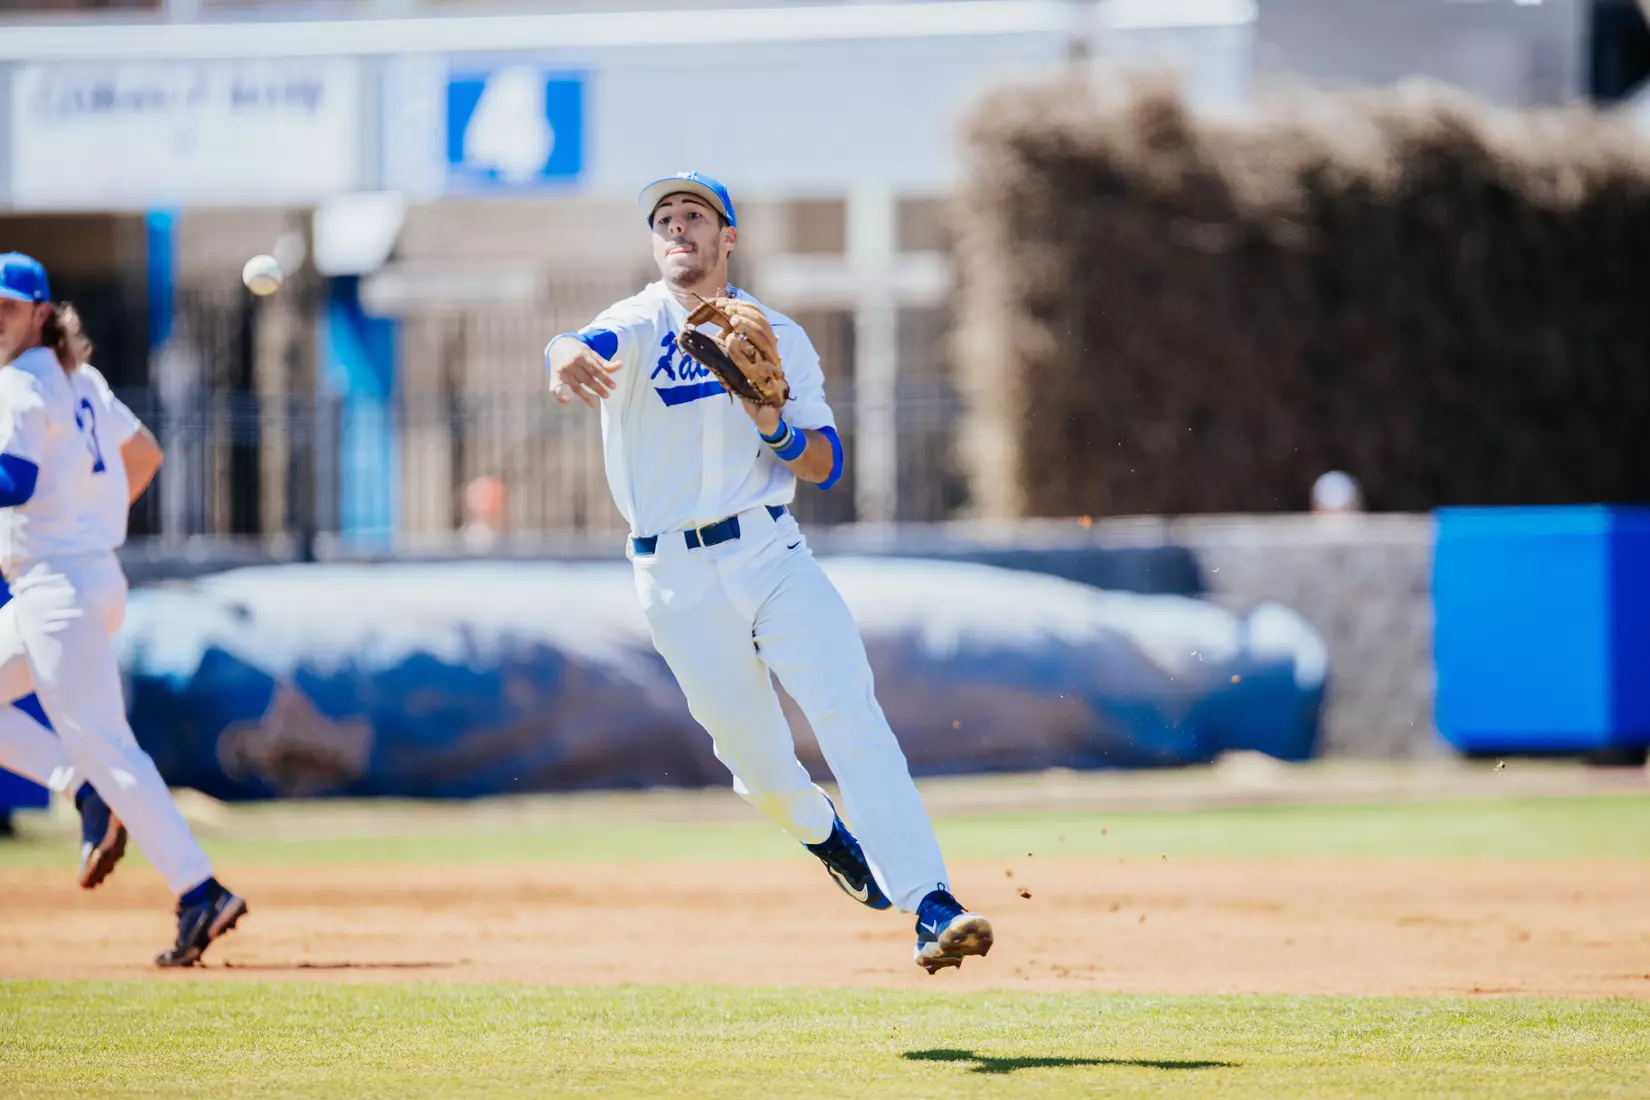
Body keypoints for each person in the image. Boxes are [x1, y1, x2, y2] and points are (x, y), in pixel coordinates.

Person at [543, 172, 992, 972]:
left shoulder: (778, 331)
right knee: (758, 766)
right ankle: (827, 837)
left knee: (853, 719)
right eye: (666, 219)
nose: (679, 229)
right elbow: (583, 344)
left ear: (728, 238)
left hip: (771, 552)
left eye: (695, 216)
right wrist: (563, 353)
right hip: (675, 579)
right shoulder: (639, 323)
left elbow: (824, 462)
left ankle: (931, 903)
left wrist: (772, 424)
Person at [0, 252, 247, 967]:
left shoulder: (19, 381)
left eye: (9, 306)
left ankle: (199, 888)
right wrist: (88, 521)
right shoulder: (79, 378)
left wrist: (74, 529)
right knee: (98, 753)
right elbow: (143, 454)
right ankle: (79, 788)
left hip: (58, 588)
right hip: (80, 578)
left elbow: (12, 481)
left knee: (108, 745)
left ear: (40, 312)